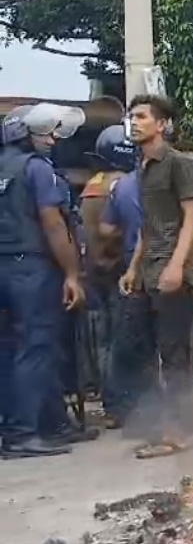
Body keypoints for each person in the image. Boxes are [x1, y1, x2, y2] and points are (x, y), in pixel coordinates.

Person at [116, 95, 193, 458]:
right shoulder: (144, 166)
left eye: (141, 117)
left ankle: (176, 431)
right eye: (131, 116)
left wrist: (177, 265)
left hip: (171, 270)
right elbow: (147, 226)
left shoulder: (175, 163)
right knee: (141, 349)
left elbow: (192, 216)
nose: (134, 122)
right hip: (150, 269)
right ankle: (160, 424)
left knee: (174, 354)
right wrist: (134, 267)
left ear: (162, 124)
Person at [0, 103, 86, 458]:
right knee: (37, 346)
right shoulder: (37, 170)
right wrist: (71, 274)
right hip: (30, 268)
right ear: (25, 135)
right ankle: (22, 434)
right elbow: (53, 223)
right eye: (45, 133)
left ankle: (48, 424)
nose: (52, 139)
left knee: (11, 350)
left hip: (5, 266)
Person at [81, 124, 137, 413]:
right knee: (122, 340)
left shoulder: (92, 185)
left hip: (93, 271)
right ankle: (123, 404)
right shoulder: (124, 185)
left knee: (102, 341)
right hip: (119, 270)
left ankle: (109, 402)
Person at [99, 138, 149, 432]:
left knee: (125, 340)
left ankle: (119, 408)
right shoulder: (166, 184)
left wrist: (124, 233)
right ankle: (155, 409)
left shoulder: (121, 187)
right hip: (164, 264)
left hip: (131, 265)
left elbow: (105, 229)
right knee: (159, 344)